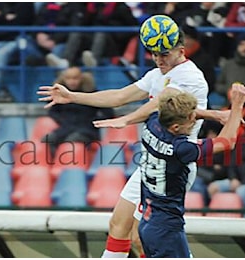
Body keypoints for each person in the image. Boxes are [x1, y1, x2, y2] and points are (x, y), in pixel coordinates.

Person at [38, 18, 229, 258]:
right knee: (118, 224)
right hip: (151, 163)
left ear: (181, 50)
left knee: (141, 235)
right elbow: (119, 96)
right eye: (153, 53)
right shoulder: (158, 74)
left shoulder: (190, 77)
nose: (158, 59)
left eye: (164, 53)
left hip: (171, 168)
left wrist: (126, 120)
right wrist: (74, 96)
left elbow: (160, 103)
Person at [137, 84, 245, 257]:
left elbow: (166, 102)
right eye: (190, 119)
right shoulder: (181, 148)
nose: (194, 120)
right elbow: (227, 141)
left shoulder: (152, 122)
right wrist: (237, 106)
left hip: (148, 221)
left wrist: (216, 115)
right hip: (167, 228)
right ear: (175, 128)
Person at [42, 67, 101, 156]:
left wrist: (92, 122)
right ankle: (55, 163)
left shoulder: (92, 93)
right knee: (47, 139)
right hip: (66, 128)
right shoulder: (59, 95)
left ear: (81, 78)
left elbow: (107, 113)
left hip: (87, 130)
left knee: (71, 141)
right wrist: (63, 120)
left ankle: (70, 165)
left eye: (75, 78)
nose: (72, 81)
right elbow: (53, 112)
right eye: (68, 78)